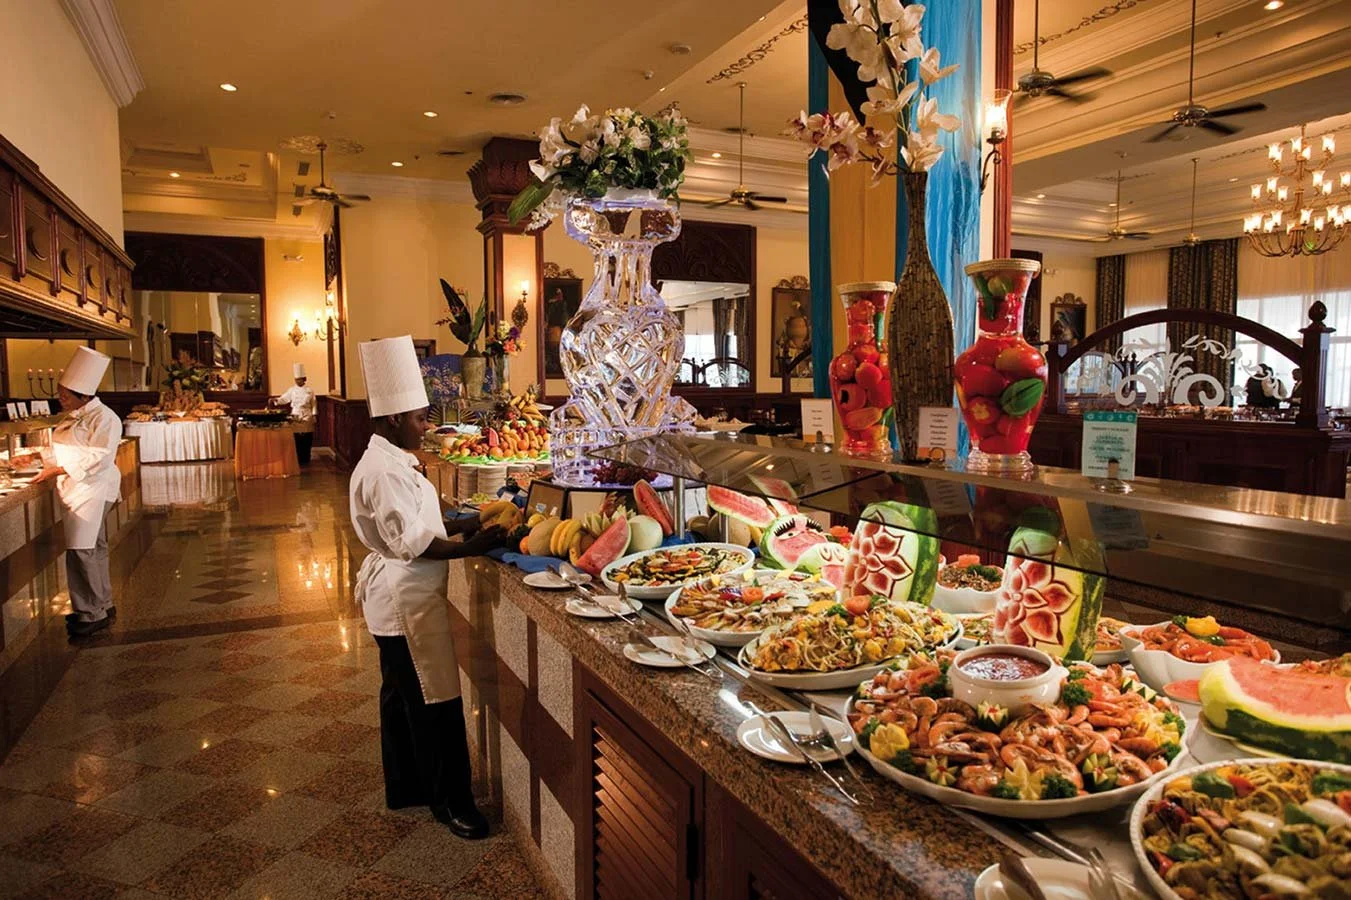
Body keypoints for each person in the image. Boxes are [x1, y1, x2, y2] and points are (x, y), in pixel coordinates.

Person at [351, 335, 506, 839]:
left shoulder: (395, 459)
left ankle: (406, 786)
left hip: (403, 593)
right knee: (434, 698)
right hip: (405, 599)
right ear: (395, 418)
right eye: (421, 418)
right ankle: (451, 803)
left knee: (400, 696)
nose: (427, 425)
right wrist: (474, 546)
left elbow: (427, 522)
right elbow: (417, 544)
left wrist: (472, 521)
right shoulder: (383, 472)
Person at [35, 348, 123, 638]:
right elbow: (65, 449)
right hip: (80, 490)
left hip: (93, 490)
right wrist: (36, 459)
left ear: (83, 396)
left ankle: (91, 613)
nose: (61, 399)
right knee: (92, 548)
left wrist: (56, 470)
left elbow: (99, 457)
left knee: (81, 551)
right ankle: (102, 603)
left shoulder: (106, 418)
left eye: (65, 395)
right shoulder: (73, 416)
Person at [273, 364, 316, 464]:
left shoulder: (310, 391)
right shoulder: (292, 390)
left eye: (299, 379)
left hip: (306, 416)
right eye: (296, 379)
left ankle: (306, 458)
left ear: (304, 379)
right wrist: (276, 400)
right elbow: (284, 398)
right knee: (296, 438)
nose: (297, 381)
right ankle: (297, 458)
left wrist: (314, 415)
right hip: (295, 415)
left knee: (306, 438)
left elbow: (314, 404)